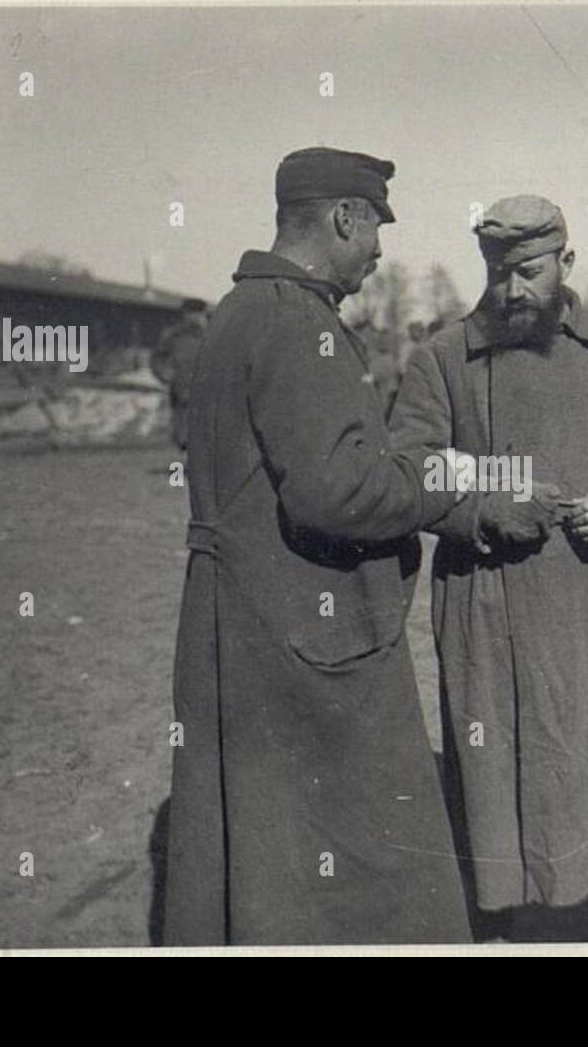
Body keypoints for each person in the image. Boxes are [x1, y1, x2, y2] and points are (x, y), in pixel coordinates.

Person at [164, 146, 474, 945]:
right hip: (304, 637)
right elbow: (333, 492)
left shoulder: (235, 314)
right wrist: (438, 479)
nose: (378, 254)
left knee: (260, 850)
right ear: (345, 217)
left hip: (236, 624)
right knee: (355, 857)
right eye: (375, 231)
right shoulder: (300, 325)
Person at [390, 195, 588, 942]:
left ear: (566, 261)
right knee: (492, 776)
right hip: (488, 606)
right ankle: (496, 933)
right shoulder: (442, 358)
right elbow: (408, 473)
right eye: (498, 274)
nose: (513, 290)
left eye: (528, 271)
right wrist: (486, 503)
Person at [151, 298, 209, 450]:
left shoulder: (213, 334)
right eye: (189, 314)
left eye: (197, 313)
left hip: (208, 389)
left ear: (204, 314)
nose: (193, 317)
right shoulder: (173, 335)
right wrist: (165, 375)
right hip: (182, 390)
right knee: (183, 434)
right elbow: (158, 358)